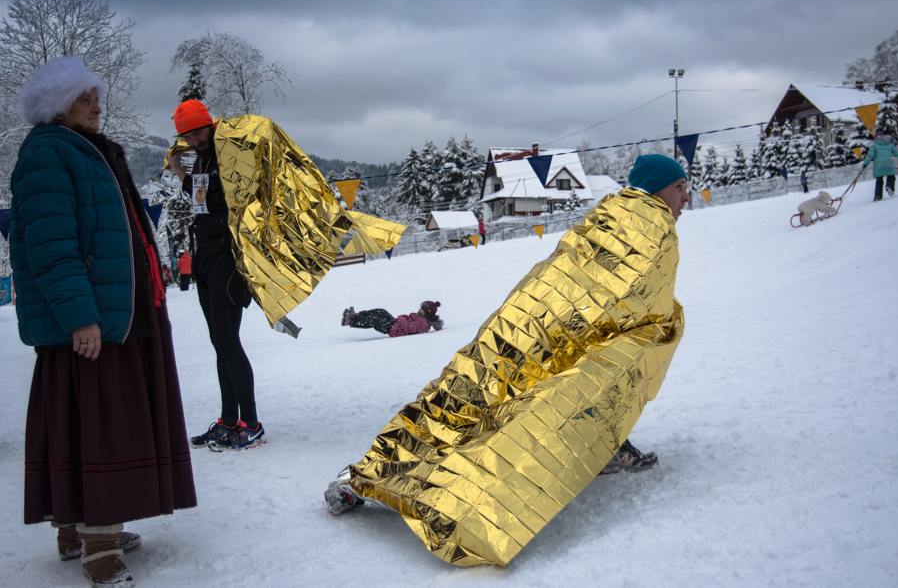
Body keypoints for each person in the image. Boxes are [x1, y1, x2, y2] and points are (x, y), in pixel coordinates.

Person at [325, 153, 688, 567]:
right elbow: (637, 298)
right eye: (678, 187)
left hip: (534, 324)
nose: (685, 196)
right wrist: (664, 321)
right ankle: (433, 495)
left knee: (469, 397)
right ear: (658, 187)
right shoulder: (650, 224)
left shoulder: (611, 215)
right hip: (569, 329)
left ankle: (371, 472)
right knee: (576, 385)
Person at [9, 57, 196, 587]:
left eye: (95, 96)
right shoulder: (48, 154)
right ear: (57, 105)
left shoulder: (83, 149)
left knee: (80, 425)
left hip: (117, 313)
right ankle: (100, 551)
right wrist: (80, 317)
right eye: (85, 98)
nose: (97, 105)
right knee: (100, 429)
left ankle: (78, 531)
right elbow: (49, 246)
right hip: (93, 322)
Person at [167, 100, 265, 451]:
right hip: (206, 258)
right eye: (187, 135)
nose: (194, 139)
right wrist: (181, 171)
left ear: (209, 125)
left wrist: (184, 174)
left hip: (228, 260)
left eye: (198, 131)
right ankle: (228, 419)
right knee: (218, 342)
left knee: (228, 341)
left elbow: (226, 199)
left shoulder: (228, 154)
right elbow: (201, 199)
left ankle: (251, 423)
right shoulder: (204, 158)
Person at [342, 300, 444, 337]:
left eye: (422, 309)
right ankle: (356, 315)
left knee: (375, 320)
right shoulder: (421, 318)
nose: (419, 310)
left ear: (427, 312)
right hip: (395, 323)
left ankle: (351, 321)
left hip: (394, 330)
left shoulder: (424, 323)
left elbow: (410, 328)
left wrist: (401, 320)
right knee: (381, 311)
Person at [862, 133, 898, 200]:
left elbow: (870, 156)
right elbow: (897, 153)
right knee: (891, 177)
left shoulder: (874, 146)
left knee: (879, 180)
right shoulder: (890, 145)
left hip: (879, 166)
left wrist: (865, 164)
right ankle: (889, 187)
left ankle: (878, 196)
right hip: (888, 164)